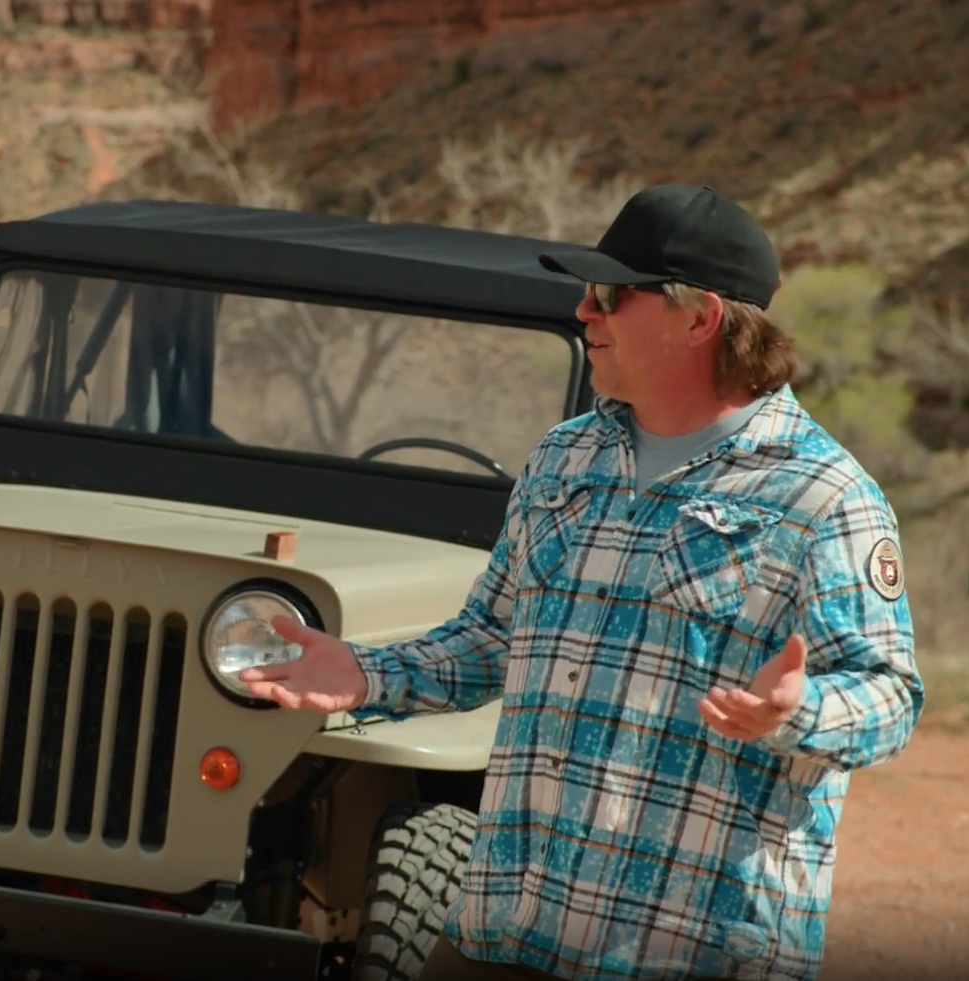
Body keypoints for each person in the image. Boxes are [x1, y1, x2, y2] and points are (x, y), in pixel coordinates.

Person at [241, 185, 923, 981]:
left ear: (700, 319)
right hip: (504, 931)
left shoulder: (824, 497)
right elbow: (490, 640)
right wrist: (365, 674)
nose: (582, 311)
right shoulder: (563, 457)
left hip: (688, 951)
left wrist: (794, 710)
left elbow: (889, 697)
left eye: (609, 294)